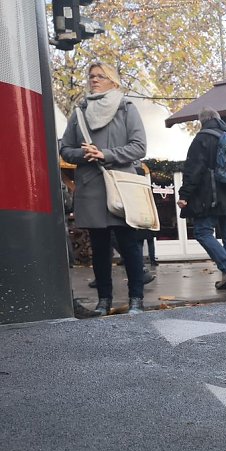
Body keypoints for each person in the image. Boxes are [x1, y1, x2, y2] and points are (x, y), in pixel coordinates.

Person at [60, 62, 148, 315]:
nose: (94, 80)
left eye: (101, 76)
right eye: (91, 76)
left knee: (129, 245)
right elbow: (65, 149)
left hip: (121, 186)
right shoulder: (79, 112)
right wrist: (84, 154)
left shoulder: (126, 107)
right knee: (99, 248)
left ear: (113, 81)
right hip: (91, 186)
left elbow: (139, 147)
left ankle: (136, 300)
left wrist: (105, 154)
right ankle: (103, 301)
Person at [177, 107, 226, 290]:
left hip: (211, 197)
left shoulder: (202, 139)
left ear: (202, 121)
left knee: (202, 232)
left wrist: (184, 194)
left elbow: (194, 170)